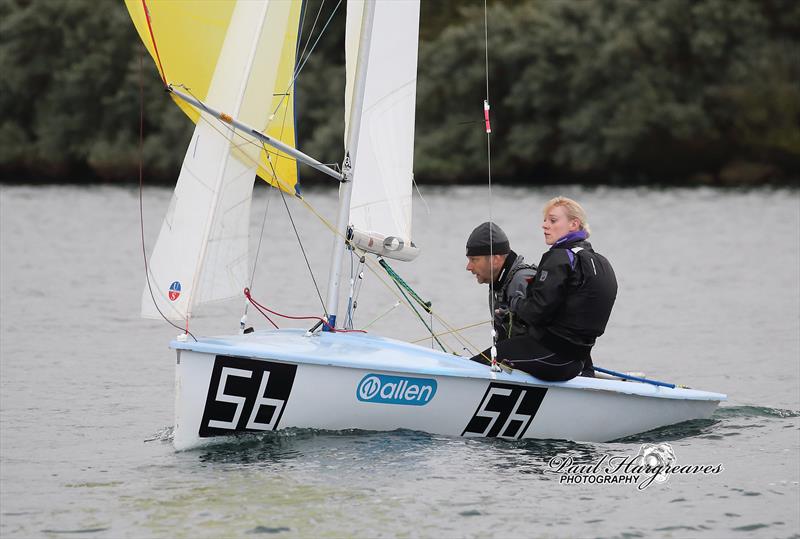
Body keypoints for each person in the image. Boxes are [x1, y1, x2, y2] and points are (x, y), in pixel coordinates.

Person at [472, 197, 617, 381]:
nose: (545, 225)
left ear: (574, 224)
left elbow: (535, 313)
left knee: (486, 359)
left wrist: (515, 303)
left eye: (553, 220)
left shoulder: (559, 257)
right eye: (545, 220)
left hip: (553, 358)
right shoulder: (601, 261)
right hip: (578, 361)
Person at [465, 222, 537, 346]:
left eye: (474, 259)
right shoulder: (497, 284)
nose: (468, 267)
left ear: (496, 259)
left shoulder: (522, 281)